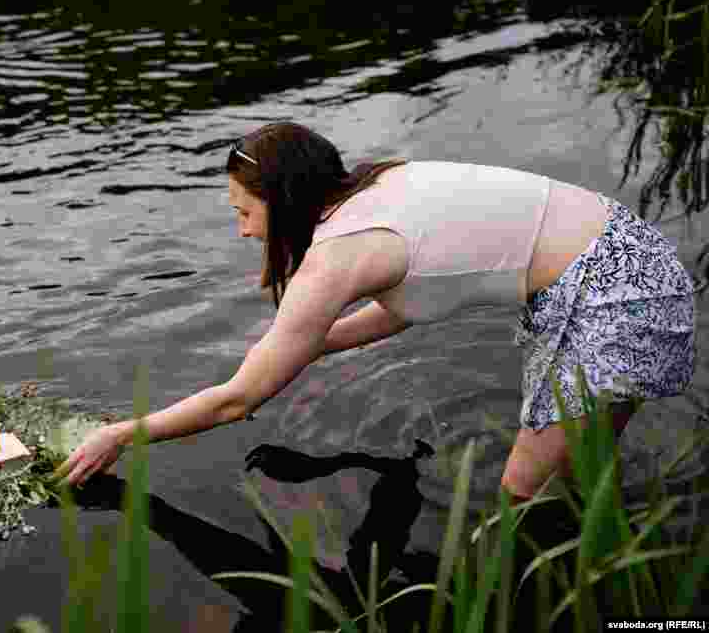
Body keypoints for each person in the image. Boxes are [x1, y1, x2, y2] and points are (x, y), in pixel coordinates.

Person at [54, 122, 697, 502]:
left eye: (243, 213)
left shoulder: (335, 258)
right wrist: (307, 342)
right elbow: (406, 305)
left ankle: (525, 603)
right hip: (637, 258)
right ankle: (608, 568)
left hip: (607, 299)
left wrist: (120, 434)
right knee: (585, 475)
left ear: (280, 201)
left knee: (518, 500)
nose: (244, 232)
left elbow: (235, 403)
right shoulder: (380, 182)